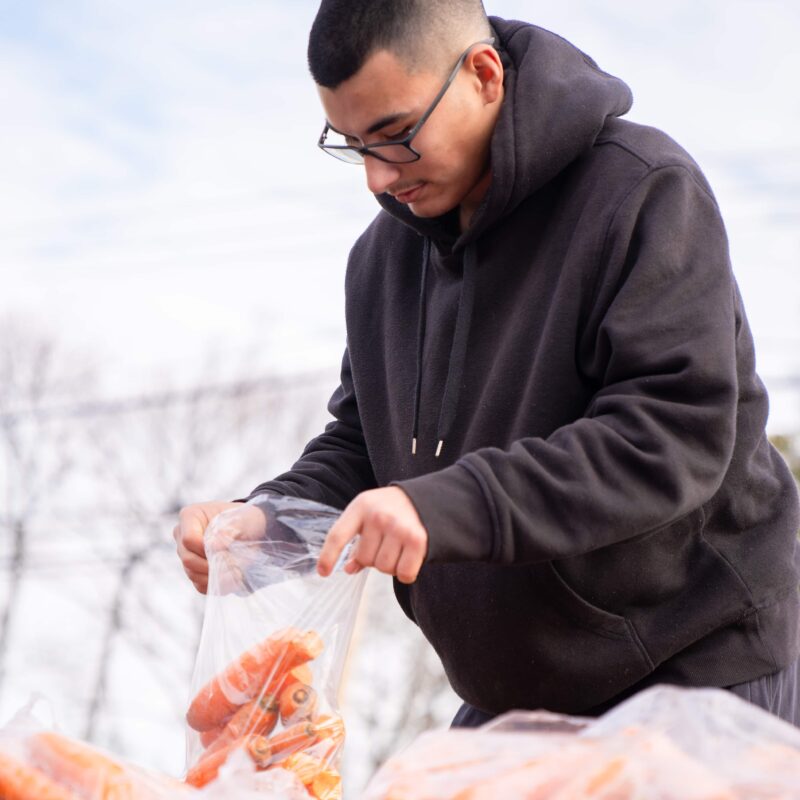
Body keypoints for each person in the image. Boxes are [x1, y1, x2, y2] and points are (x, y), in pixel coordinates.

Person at [174, 0, 800, 727]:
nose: (376, 179)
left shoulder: (641, 190)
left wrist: (438, 508)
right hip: (511, 693)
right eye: (351, 144)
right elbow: (365, 446)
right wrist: (271, 521)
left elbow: (667, 438)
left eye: (395, 136)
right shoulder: (380, 264)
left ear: (482, 75)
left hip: (694, 667)